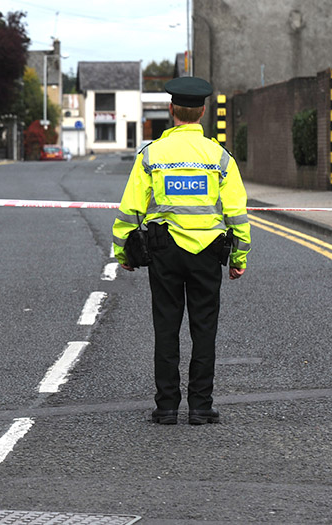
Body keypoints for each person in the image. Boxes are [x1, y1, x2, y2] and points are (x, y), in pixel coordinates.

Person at [111, 76, 251, 425]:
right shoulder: (219, 157)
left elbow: (131, 208)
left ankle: (167, 407)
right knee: (204, 329)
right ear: (202, 112)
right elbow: (236, 212)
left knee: (166, 327)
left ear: (171, 109)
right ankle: (201, 407)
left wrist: (123, 252)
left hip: (164, 251)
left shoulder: (151, 155)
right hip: (207, 253)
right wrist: (239, 257)